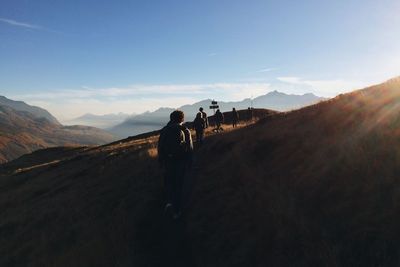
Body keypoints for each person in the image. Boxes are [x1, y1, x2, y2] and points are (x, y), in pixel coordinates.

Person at [158, 110, 193, 219]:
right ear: (182, 119)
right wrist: (189, 162)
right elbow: (190, 148)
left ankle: (169, 203)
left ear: (171, 118)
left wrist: (161, 161)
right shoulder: (184, 130)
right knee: (179, 185)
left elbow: (160, 147)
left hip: (168, 161)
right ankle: (176, 211)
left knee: (169, 183)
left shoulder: (165, 130)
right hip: (180, 161)